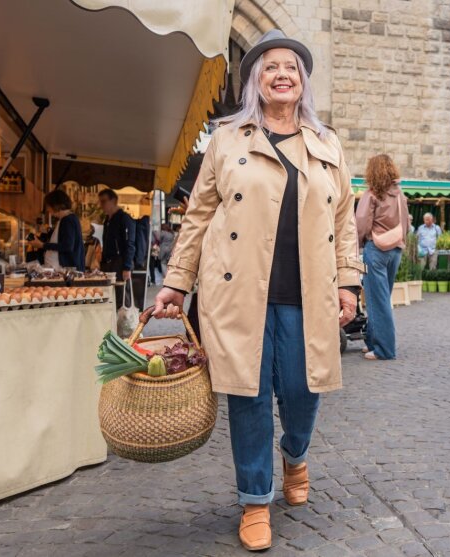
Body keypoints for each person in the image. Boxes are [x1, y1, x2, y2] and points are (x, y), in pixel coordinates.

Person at [152, 29, 363, 552]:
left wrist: (350, 282)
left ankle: (295, 455)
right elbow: (198, 216)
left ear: (303, 81)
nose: (281, 74)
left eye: (290, 67)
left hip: (307, 293)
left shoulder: (328, 143)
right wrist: (177, 282)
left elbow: (345, 220)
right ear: (255, 81)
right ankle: (253, 499)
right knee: (247, 396)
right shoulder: (227, 139)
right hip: (237, 292)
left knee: (303, 391)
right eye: (269, 67)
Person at [356, 154, 409, 362]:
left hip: (376, 249)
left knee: (376, 300)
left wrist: (359, 245)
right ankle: (372, 342)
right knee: (381, 298)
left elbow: (361, 223)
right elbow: (406, 224)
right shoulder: (399, 194)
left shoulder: (371, 194)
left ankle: (384, 350)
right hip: (395, 249)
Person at [28, 190, 85, 271]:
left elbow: (67, 246)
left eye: (48, 206)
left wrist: (42, 245)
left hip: (66, 270)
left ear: (55, 205)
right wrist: (48, 231)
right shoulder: (65, 219)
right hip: (62, 269)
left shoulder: (68, 220)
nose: (47, 210)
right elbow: (62, 239)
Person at [98, 189, 136, 306]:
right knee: (110, 295)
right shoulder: (107, 220)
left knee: (122, 296)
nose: (101, 205)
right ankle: (114, 322)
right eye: (100, 202)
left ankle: (126, 323)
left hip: (120, 263)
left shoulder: (124, 218)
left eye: (104, 201)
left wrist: (127, 267)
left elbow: (130, 243)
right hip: (108, 263)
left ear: (113, 200)